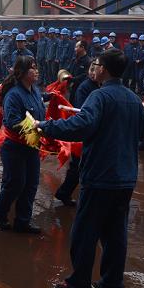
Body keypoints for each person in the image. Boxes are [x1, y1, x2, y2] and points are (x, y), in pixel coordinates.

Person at [36, 49, 144, 288]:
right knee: (115, 234)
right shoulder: (133, 99)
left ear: (103, 70)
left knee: (85, 232)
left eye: (96, 65)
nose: (94, 68)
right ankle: (112, 285)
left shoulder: (99, 96)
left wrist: (47, 126)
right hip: (125, 178)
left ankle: (78, 287)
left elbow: (80, 125)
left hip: (100, 177)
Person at [0, 56, 45, 234]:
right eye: (32, 68)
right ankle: (0, 213)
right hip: (15, 147)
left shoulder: (35, 90)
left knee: (31, 184)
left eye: (36, 67)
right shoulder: (14, 95)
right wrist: (37, 128)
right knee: (15, 183)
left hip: (32, 144)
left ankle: (23, 221)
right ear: (22, 72)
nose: (36, 71)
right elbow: (11, 122)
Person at [54, 60, 99, 207]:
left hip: (94, 131)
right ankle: (64, 193)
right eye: (91, 69)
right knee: (77, 167)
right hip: (84, 131)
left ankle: (66, 193)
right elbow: (81, 111)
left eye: (95, 69)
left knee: (84, 166)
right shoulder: (85, 87)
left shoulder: (101, 86)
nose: (93, 73)